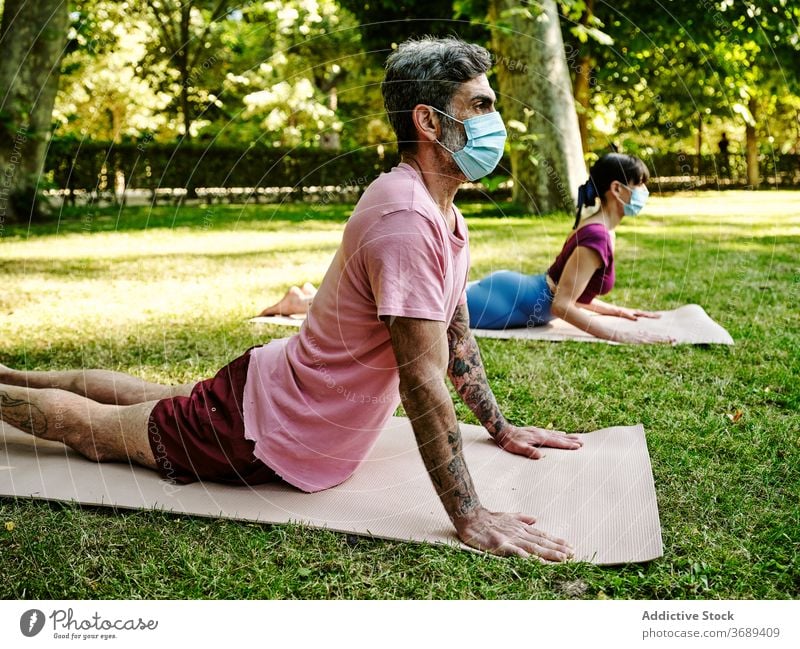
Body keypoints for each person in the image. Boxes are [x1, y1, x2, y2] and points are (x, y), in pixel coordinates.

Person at [0, 37, 582, 561]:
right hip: (259, 432)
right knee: (96, 432)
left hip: (270, 390)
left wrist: (501, 429)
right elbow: (423, 380)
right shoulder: (407, 219)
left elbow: (455, 335)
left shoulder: (441, 214)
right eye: (480, 106)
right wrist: (470, 516)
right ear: (429, 122)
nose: (496, 120)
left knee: (137, 396)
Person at [467, 153, 674, 343]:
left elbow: (570, 291)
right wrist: (621, 336)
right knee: (441, 307)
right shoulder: (597, 236)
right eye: (638, 184)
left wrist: (617, 311)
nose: (643, 191)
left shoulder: (602, 229)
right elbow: (562, 304)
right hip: (509, 301)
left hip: (519, 295)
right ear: (617, 188)